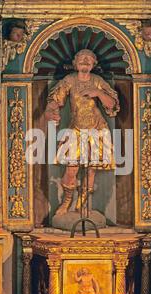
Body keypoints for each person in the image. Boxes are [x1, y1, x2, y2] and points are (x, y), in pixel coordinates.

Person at [43, 49, 120, 216]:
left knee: (91, 169)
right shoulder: (69, 80)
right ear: (75, 63)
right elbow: (55, 100)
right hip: (76, 129)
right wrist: (51, 112)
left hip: (97, 129)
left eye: (89, 59)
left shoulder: (98, 81)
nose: (85, 61)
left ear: (94, 64)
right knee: (71, 169)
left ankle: (82, 203)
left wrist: (98, 93)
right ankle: (67, 200)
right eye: (82, 59)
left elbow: (112, 104)